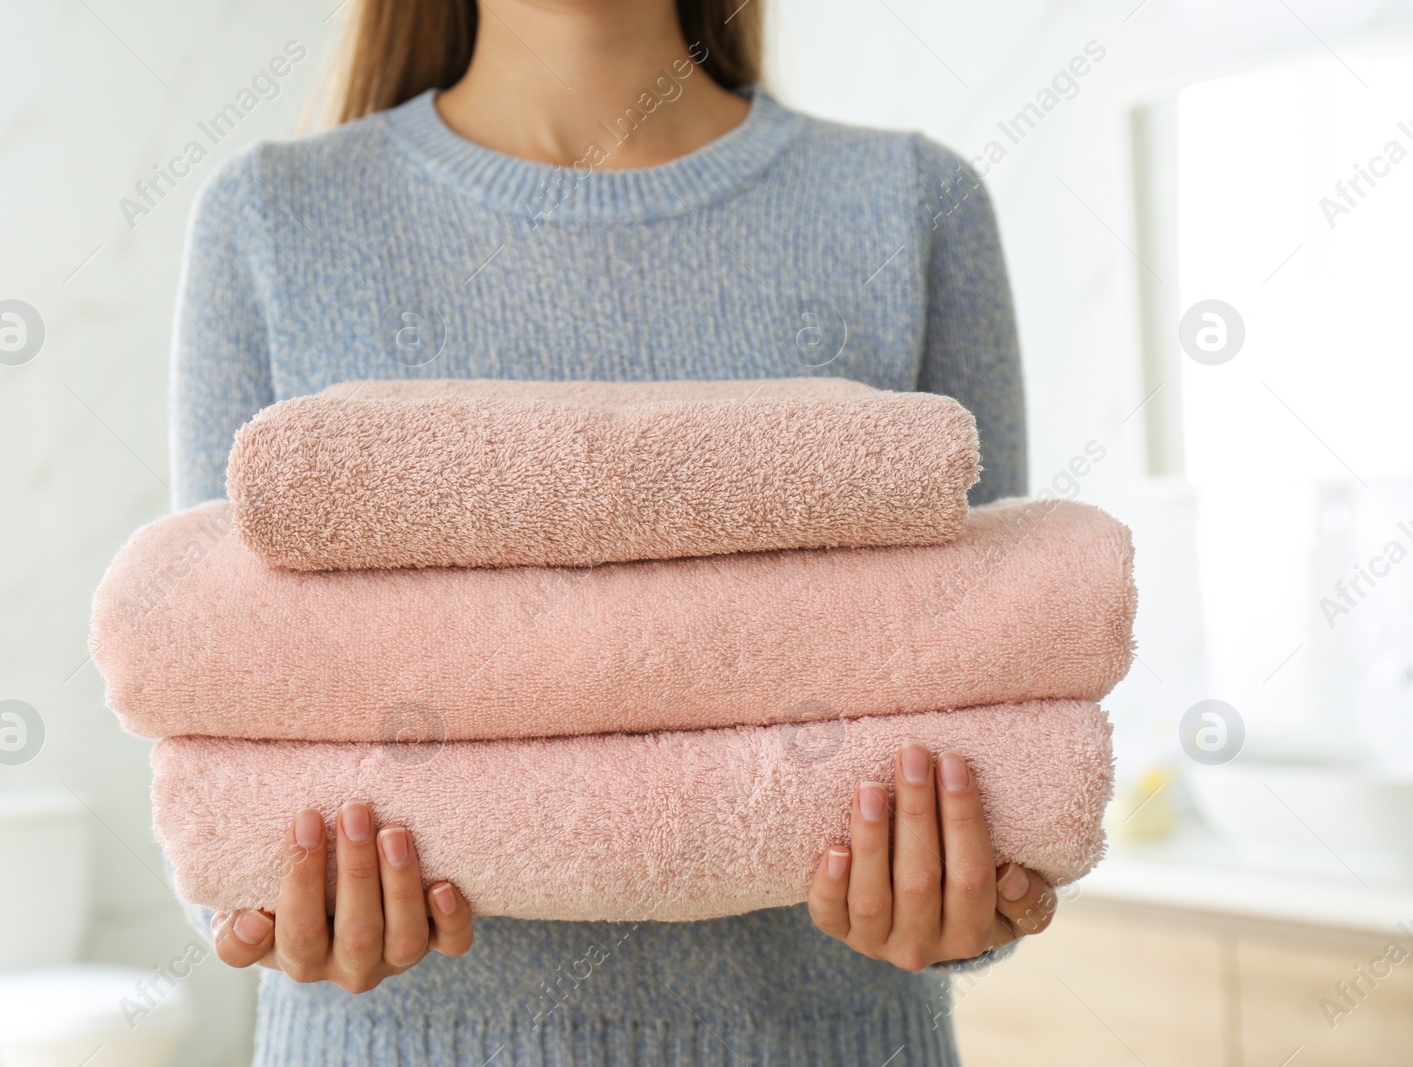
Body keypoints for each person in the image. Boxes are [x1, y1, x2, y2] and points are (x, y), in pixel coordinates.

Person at [172, 1, 1056, 1062]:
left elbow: (990, 671)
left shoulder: (910, 206)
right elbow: (220, 706)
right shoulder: (272, 219)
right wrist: (282, 907)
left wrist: (960, 900)